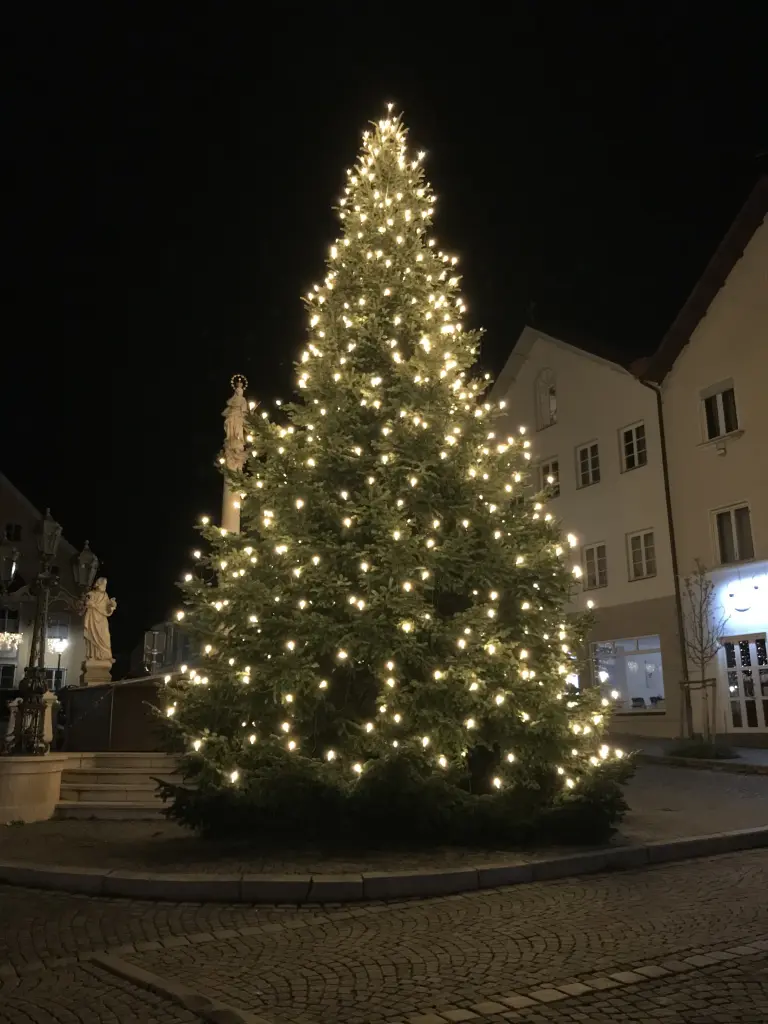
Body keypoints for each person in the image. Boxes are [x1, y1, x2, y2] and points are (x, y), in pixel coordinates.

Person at [83, 577, 116, 661]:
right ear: (99, 584)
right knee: (93, 636)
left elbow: (107, 608)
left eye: (105, 584)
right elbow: (87, 603)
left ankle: (105, 655)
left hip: (102, 619)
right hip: (93, 619)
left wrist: (112, 605)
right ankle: (94, 655)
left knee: (105, 636)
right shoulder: (91, 594)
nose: (104, 586)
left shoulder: (105, 595)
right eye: (103, 584)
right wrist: (91, 604)